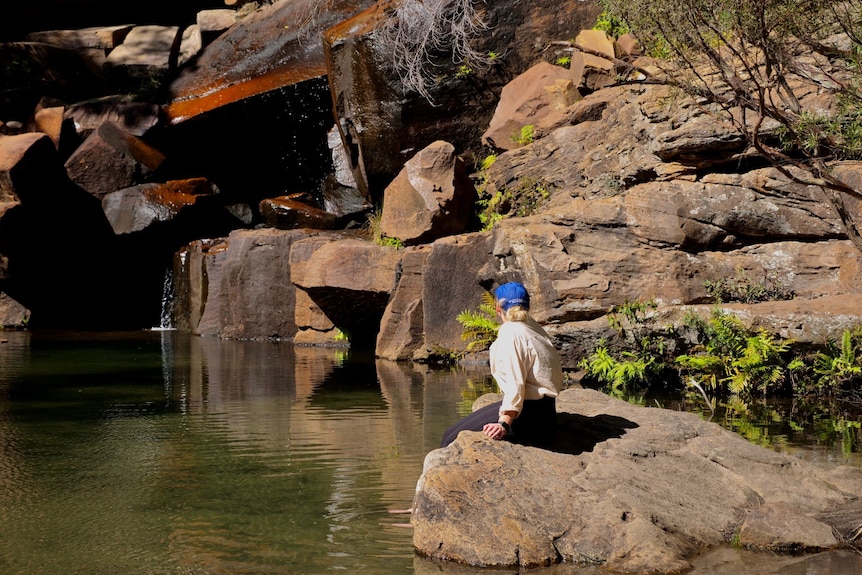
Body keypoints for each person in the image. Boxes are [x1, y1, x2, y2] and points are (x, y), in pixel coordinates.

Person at [440, 281, 562, 448]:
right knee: (450, 433)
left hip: (528, 420)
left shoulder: (510, 333)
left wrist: (504, 423)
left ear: (498, 308)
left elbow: (515, 382)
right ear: (527, 306)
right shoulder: (532, 326)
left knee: (450, 439)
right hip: (546, 412)